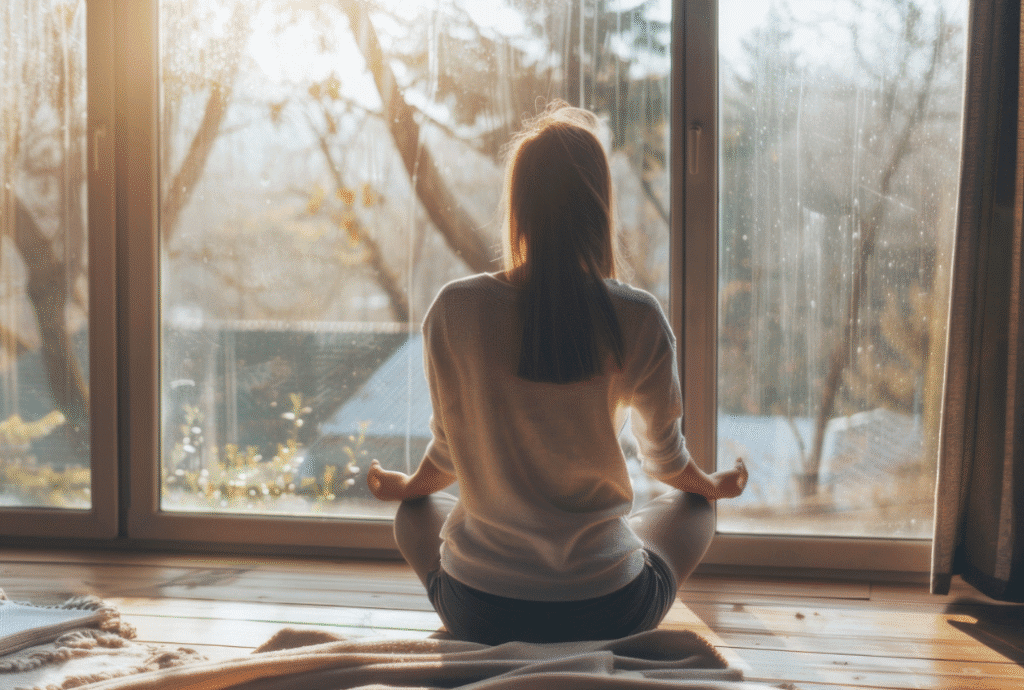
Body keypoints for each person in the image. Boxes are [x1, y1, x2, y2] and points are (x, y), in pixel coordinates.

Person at [366, 101, 748, 645]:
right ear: (600, 207)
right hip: (608, 609)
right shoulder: (637, 316)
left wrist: (407, 486)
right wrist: (710, 486)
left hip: (481, 613)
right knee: (693, 510)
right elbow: (666, 462)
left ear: (517, 206)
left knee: (414, 514)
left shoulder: (455, 308)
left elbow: (449, 452)